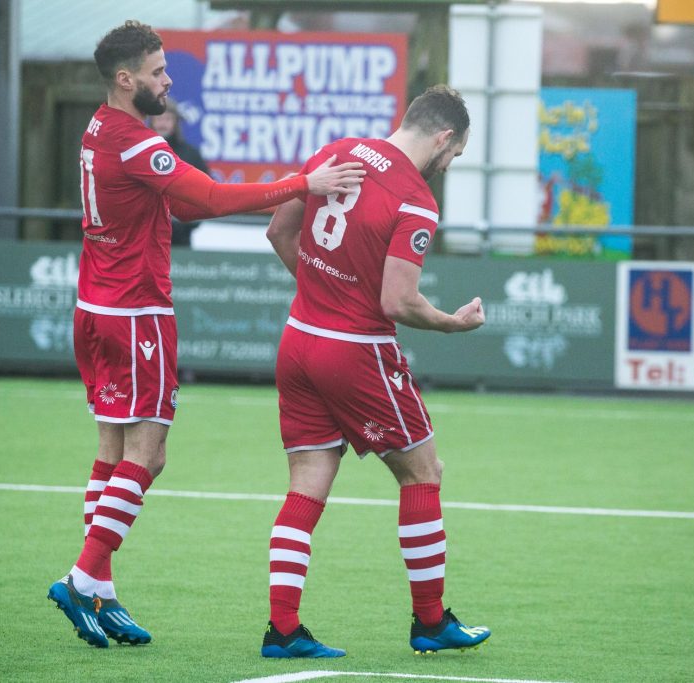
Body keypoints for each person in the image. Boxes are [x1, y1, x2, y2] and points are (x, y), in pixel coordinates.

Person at [46, 20, 364, 649]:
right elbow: (213, 199)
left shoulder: (96, 129)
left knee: (112, 449)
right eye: (159, 72)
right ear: (125, 79)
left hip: (94, 306)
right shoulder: (137, 143)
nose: (168, 82)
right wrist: (306, 183)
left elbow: (185, 202)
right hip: (136, 312)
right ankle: (82, 579)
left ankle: (102, 592)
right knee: (150, 454)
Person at [260, 85, 490, 658]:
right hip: (356, 350)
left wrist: (321, 291)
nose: (448, 165)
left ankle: (282, 630)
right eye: (454, 155)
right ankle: (432, 622)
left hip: (299, 339)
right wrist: (452, 324)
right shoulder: (414, 200)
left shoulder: (334, 152)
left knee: (306, 483)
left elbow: (277, 232)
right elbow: (397, 303)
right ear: (443, 138)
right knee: (423, 471)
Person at [147, 99, 211, 247]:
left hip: (180, 239)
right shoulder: (139, 152)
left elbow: (206, 194)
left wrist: (186, 224)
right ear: (151, 121)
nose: (162, 123)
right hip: (146, 235)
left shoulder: (191, 155)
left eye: (167, 119)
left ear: (176, 122)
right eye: (158, 118)